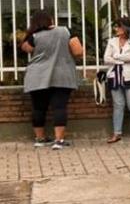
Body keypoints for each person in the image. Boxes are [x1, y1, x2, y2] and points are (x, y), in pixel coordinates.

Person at [20, 9, 84, 150]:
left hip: (37, 75)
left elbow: (26, 49)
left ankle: (40, 139)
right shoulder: (65, 31)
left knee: (38, 108)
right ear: (51, 20)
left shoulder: (34, 36)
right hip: (61, 74)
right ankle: (59, 141)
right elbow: (78, 51)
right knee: (59, 107)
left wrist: (32, 32)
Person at [103, 19, 130, 143]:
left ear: (126, 28)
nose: (116, 29)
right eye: (116, 27)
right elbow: (106, 58)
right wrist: (121, 61)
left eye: (119, 27)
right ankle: (117, 133)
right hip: (114, 76)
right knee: (118, 105)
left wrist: (116, 57)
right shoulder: (112, 42)